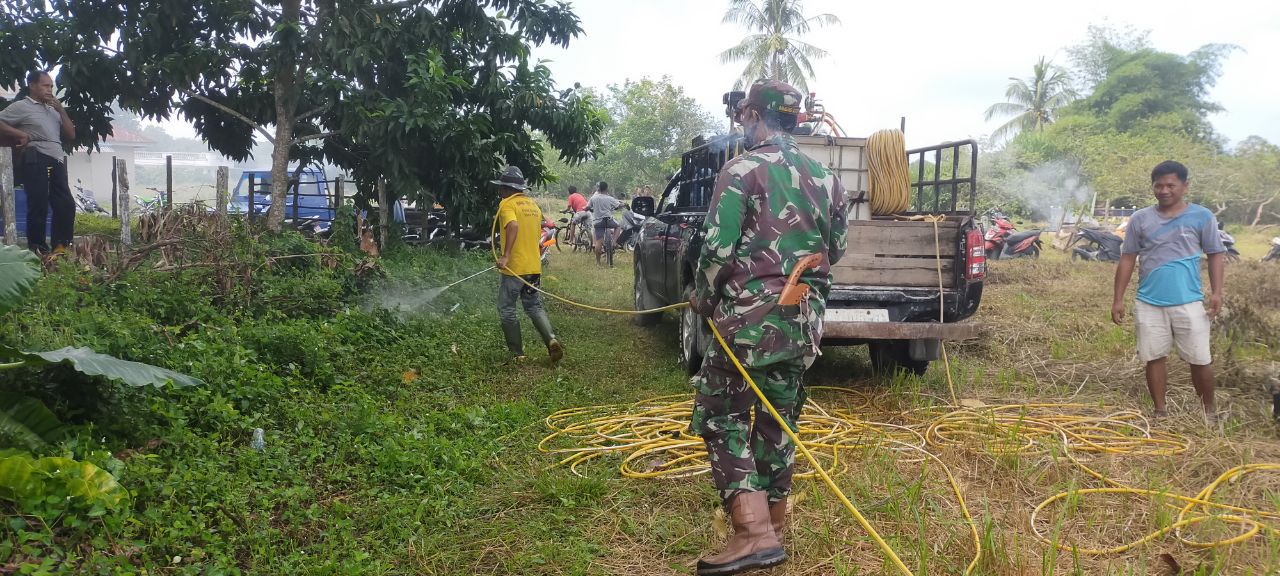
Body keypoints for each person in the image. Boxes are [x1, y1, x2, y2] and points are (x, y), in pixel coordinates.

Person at [687, 79, 848, 575]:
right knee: (779, 421)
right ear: (795, 120)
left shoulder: (741, 170)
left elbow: (716, 250)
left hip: (748, 323)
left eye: (744, 115)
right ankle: (774, 527)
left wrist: (702, 299)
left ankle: (752, 535)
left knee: (722, 418)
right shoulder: (827, 177)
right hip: (802, 320)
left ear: (753, 116)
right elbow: (835, 249)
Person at [1111, 160, 1225, 424]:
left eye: (1170, 185)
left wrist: (1217, 292)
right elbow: (1127, 258)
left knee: (1200, 359)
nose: (1164, 190)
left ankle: (1209, 413)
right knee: (1153, 357)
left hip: (1190, 301)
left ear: (1185, 186)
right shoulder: (1140, 219)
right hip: (1149, 301)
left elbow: (1217, 254)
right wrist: (1118, 299)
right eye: (1158, 185)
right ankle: (1160, 412)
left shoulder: (1202, 216)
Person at [492, 166, 564, 364]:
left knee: (507, 308)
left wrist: (506, 256)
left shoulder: (506, 205)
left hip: (515, 268)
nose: (500, 191)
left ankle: (518, 354)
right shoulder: (533, 206)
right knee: (533, 305)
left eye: (501, 188)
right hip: (534, 266)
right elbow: (542, 227)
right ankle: (551, 340)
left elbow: (513, 225)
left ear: (506, 188)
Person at [0, 70, 76, 256]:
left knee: (65, 204)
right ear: (32, 86)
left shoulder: (53, 110)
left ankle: (61, 247)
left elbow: (71, 134)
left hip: (56, 158)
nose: (49, 90)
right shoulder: (21, 106)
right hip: (36, 156)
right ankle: (38, 249)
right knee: (39, 202)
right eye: (45, 85)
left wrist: (61, 109)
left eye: (51, 86)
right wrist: (21, 134)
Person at [586, 181, 622, 265]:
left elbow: (587, 207)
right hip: (609, 221)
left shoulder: (593, 198)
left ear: (598, 189)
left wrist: (585, 209)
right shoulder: (609, 198)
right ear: (606, 188)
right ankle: (613, 242)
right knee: (618, 226)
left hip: (598, 222)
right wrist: (623, 205)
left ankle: (598, 263)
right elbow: (618, 205)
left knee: (598, 243)